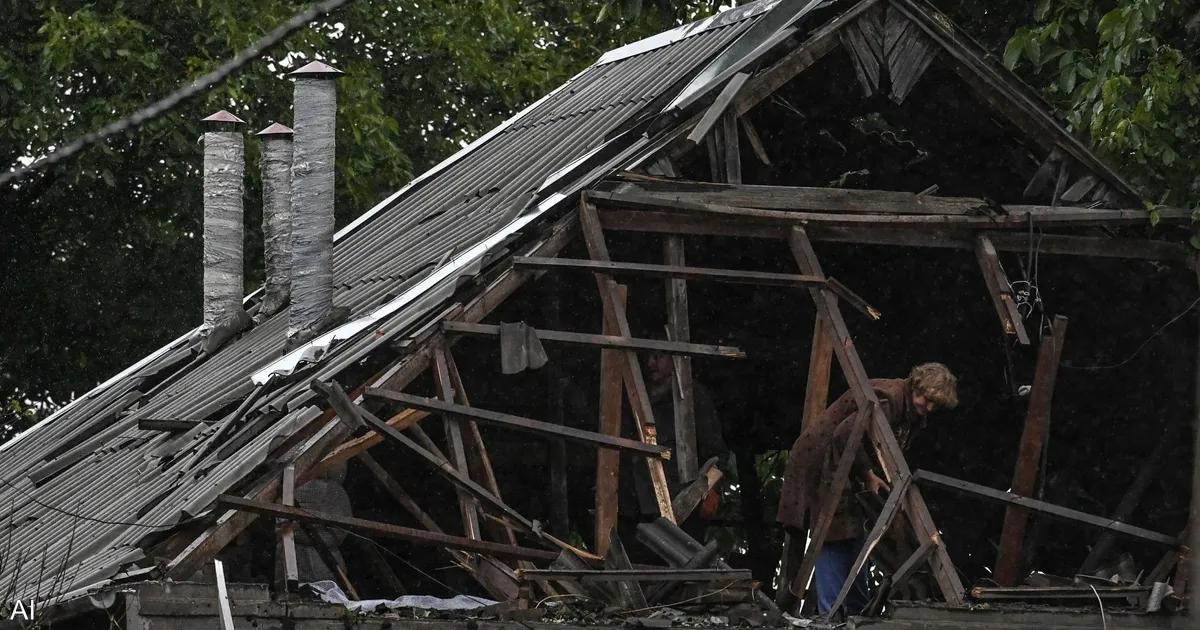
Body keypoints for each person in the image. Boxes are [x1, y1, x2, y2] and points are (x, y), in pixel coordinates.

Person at [776, 363, 959, 616]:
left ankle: (855, 608)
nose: (928, 407)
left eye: (934, 405)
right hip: (824, 460)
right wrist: (868, 474)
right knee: (831, 531)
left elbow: (885, 448)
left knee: (854, 532)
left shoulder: (911, 412)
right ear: (916, 385)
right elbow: (844, 434)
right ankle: (830, 612)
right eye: (926, 399)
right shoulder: (889, 398)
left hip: (846, 463)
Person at [620, 352, 729, 544]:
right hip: (637, 507)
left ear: (674, 360)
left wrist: (709, 489)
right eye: (648, 357)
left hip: (682, 506)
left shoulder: (692, 397)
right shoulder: (633, 396)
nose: (651, 363)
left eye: (659, 356)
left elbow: (717, 454)